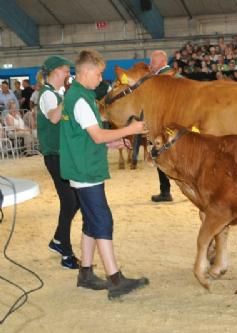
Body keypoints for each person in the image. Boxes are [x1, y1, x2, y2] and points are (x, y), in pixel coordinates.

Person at [59, 49, 149, 299]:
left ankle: (85, 273)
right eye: (98, 74)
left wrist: (115, 143)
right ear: (86, 72)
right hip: (86, 170)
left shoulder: (76, 96)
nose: (101, 79)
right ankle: (115, 279)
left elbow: (86, 137)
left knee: (91, 221)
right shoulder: (80, 100)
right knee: (102, 221)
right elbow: (97, 135)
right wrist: (129, 129)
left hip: (83, 166)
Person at [37, 55, 80, 269]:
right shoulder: (47, 95)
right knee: (71, 201)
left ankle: (57, 241)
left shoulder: (56, 93)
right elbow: (54, 118)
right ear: (55, 72)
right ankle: (65, 251)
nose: (68, 74)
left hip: (62, 155)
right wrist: (68, 97)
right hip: (54, 156)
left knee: (75, 201)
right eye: (65, 70)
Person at [149, 50, 175, 202]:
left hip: (166, 125)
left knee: (159, 154)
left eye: (152, 61)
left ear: (162, 62)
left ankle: (165, 192)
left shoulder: (162, 77)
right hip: (173, 124)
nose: (150, 64)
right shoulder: (172, 74)